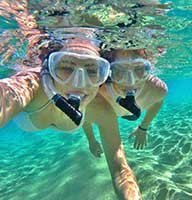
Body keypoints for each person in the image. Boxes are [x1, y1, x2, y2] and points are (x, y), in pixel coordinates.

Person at [0, 1, 142, 199]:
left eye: (93, 70)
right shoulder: (30, 84)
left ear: (104, 75)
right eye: (66, 67)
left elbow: (120, 170)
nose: (79, 84)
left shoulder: (100, 109)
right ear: (49, 68)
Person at [84, 48, 168, 157]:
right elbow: (86, 117)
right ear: (109, 72)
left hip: (132, 114)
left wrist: (143, 128)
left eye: (139, 69)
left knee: (133, 116)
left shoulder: (157, 89)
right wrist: (91, 140)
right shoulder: (98, 92)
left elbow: (157, 101)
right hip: (111, 113)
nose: (130, 81)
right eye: (119, 70)